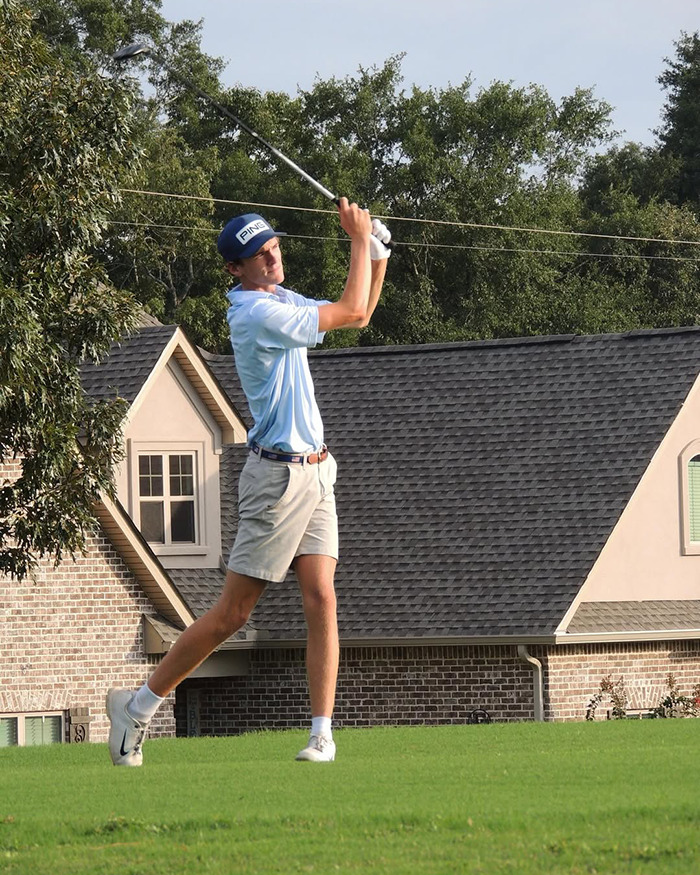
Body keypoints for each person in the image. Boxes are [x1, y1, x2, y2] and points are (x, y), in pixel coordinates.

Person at [107, 197, 391, 765]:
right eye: (258, 255)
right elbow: (353, 314)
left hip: (316, 471)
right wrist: (360, 241)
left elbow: (358, 307)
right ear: (235, 269)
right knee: (233, 616)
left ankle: (321, 734)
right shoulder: (255, 314)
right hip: (277, 479)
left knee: (322, 598)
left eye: (274, 247)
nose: (271, 257)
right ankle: (138, 705)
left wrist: (376, 255)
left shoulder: (278, 297)